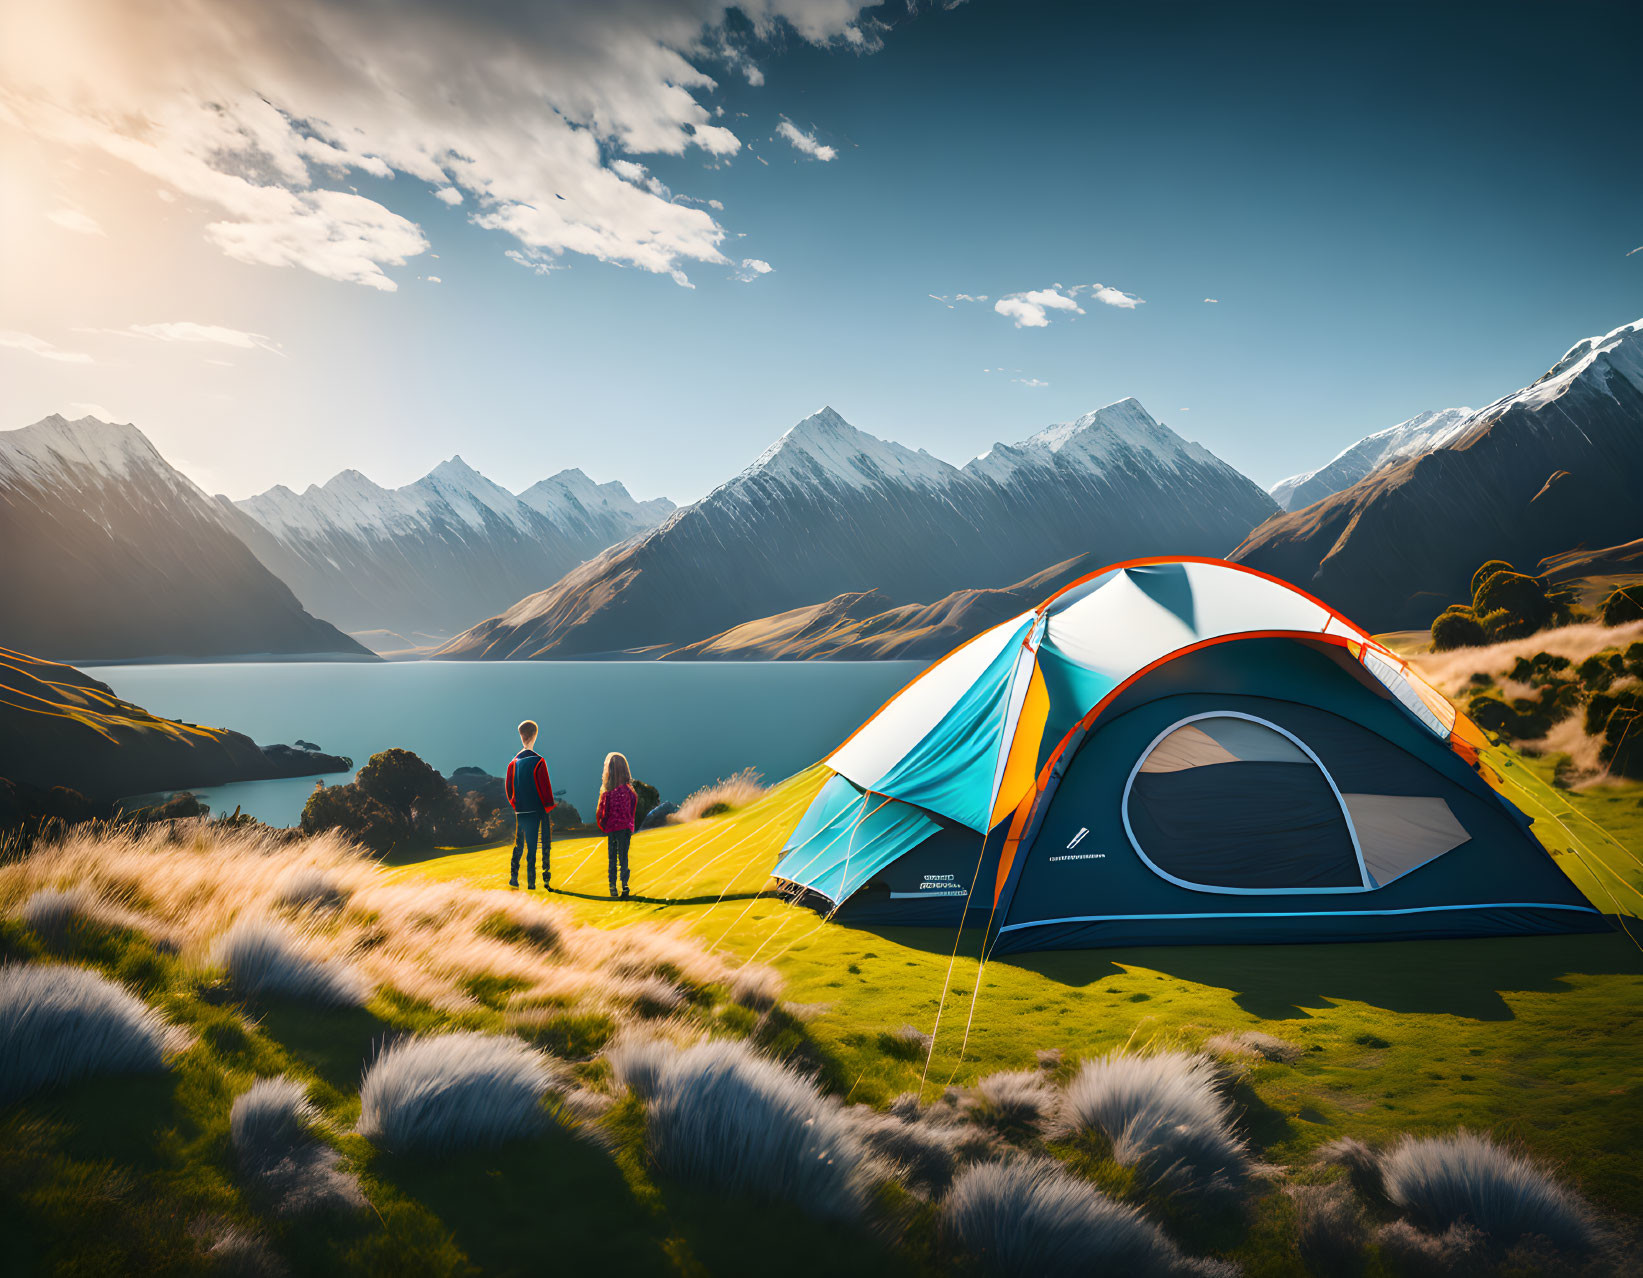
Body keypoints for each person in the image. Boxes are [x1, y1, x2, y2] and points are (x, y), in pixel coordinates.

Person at [505, 720, 555, 890]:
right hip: (538, 809)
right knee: (543, 843)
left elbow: (509, 789)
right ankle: (541, 879)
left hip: (521, 810)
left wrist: (516, 805)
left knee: (520, 844)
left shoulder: (513, 762)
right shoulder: (539, 761)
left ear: (521, 737)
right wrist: (548, 806)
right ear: (535, 735)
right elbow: (545, 787)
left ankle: (514, 877)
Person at [595, 751, 638, 899]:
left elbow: (602, 813)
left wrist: (604, 825)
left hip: (612, 830)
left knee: (612, 858)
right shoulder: (628, 791)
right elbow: (632, 808)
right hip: (624, 829)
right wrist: (629, 824)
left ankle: (612, 886)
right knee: (623, 857)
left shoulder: (607, 793)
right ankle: (624, 885)